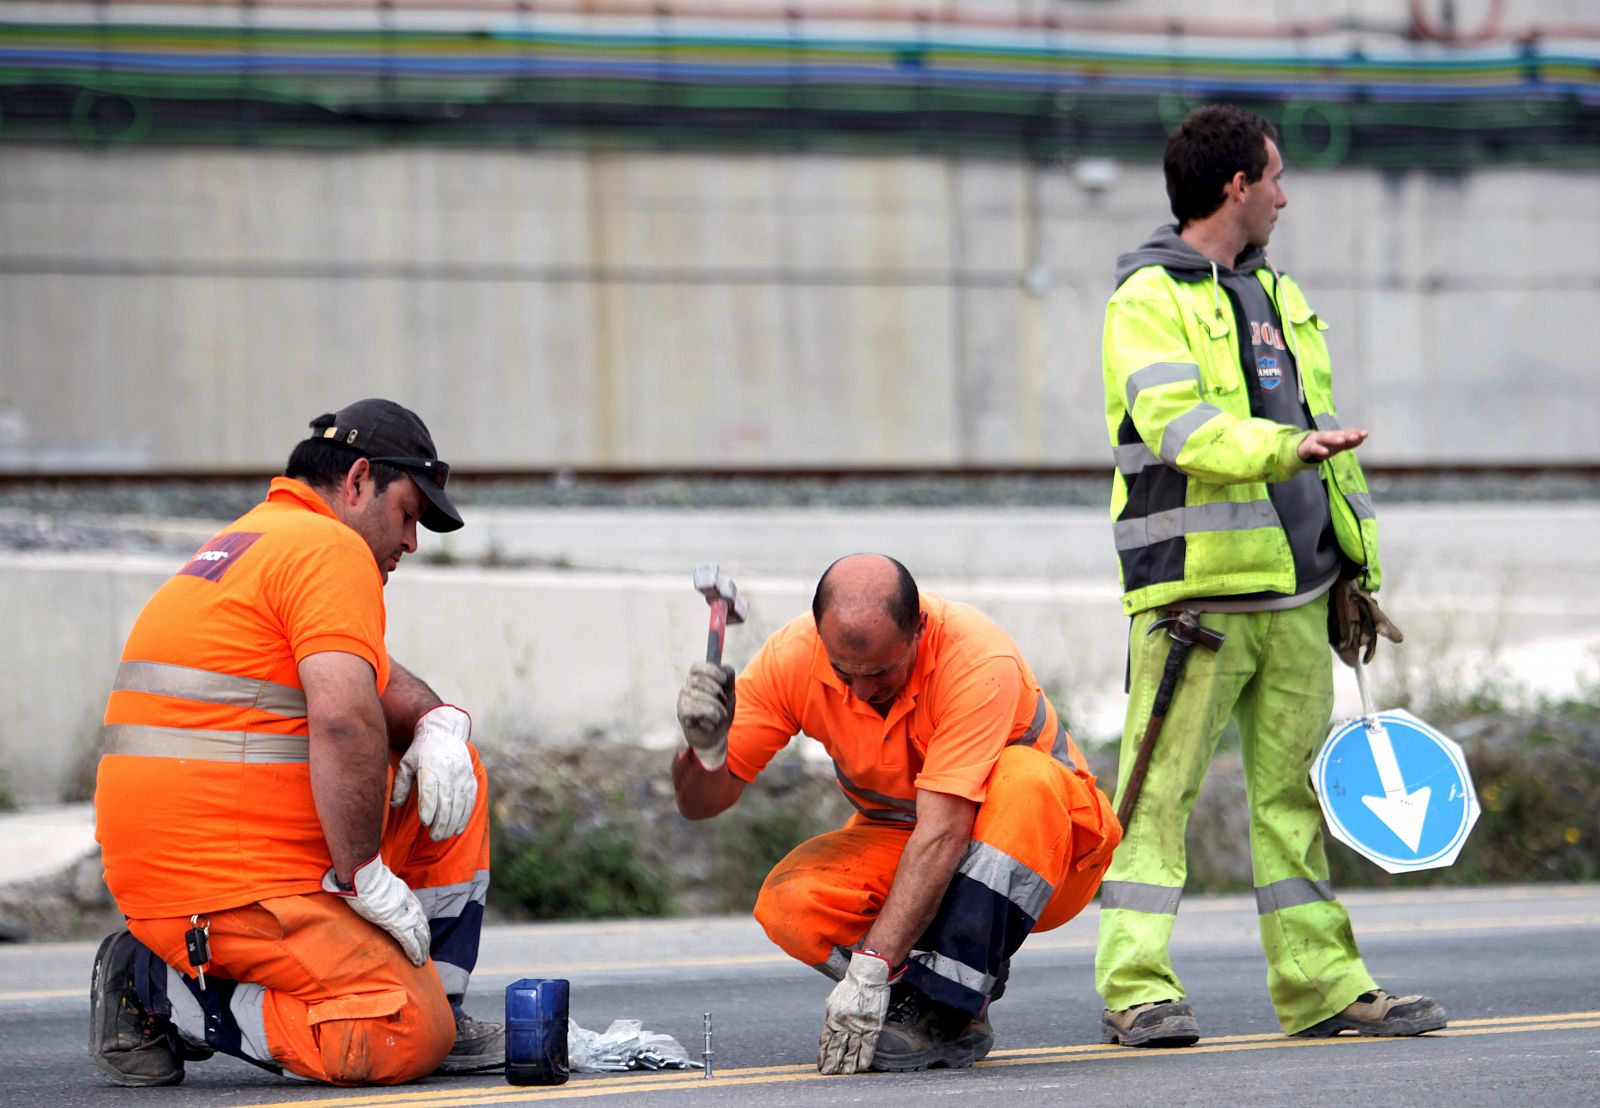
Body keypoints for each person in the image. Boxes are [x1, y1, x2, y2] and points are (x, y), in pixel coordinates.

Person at [1094, 103, 1439, 1048]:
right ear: (1235, 185)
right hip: (1197, 600)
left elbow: (1328, 448)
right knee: (1153, 800)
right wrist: (1289, 448)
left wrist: (1351, 567)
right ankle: (1136, 989)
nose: (1285, 196)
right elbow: (1180, 429)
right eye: (1275, 178)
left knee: (1293, 803)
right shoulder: (1146, 298)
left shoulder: (1279, 294)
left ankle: (1324, 987)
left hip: (1296, 599)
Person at [90, 398, 502, 1087]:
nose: (412, 541)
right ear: (359, 480)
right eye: (407, 513)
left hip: (211, 865)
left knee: (452, 766)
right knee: (401, 1033)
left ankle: (437, 999)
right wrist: (362, 873)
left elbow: (380, 683)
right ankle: (160, 987)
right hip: (226, 886)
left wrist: (439, 723)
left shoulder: (262, 539)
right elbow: (345, 720)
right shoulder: (330, 549)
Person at [672, 553, 1120, 1074]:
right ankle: (930, 998)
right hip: (912, 841)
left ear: (920, 630)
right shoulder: (791, 658)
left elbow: (945, 833)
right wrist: (705, 751)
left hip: (1048, 854)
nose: (861, 690)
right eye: (844, 673)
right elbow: (700, 805)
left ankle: (944, 1008)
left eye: (882, 671)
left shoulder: (975, 659)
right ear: (820, 637)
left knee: (1025, 777)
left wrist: (869, 973)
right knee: (791, 901)